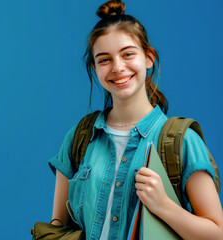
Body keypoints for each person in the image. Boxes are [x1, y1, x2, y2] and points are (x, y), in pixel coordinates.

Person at [47, 0, 223, 239]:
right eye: (104, 59)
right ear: (95, 67)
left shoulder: (183, 142)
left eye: (128, 54)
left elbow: (217, 233)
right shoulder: (79, 137)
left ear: (149, 58)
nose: (118, 67)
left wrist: (163, 205)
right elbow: (57, 227)